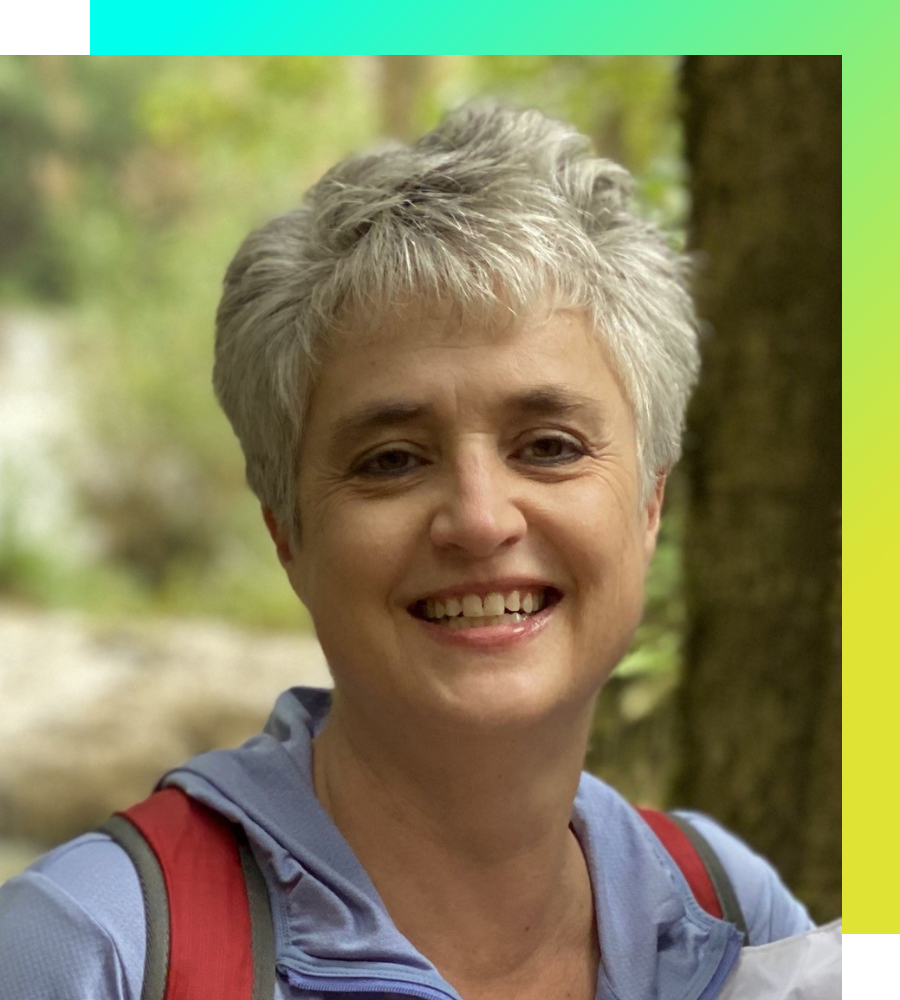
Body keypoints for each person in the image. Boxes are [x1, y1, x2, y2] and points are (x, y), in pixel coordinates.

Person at [0, 104, 815, 1000]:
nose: (478, 518)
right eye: (392, 460)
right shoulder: (88, 951)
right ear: (286, 532)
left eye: (548, 445)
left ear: (650, 501)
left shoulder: (734, 917)